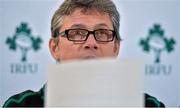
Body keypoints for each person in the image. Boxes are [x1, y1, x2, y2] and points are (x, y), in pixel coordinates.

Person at [3, 0, 165, 107]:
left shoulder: (147, 105)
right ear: (54, 47)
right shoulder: (21, 105)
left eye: (102, 33)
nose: (91, 43)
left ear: (116, 47)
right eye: (77, 33)